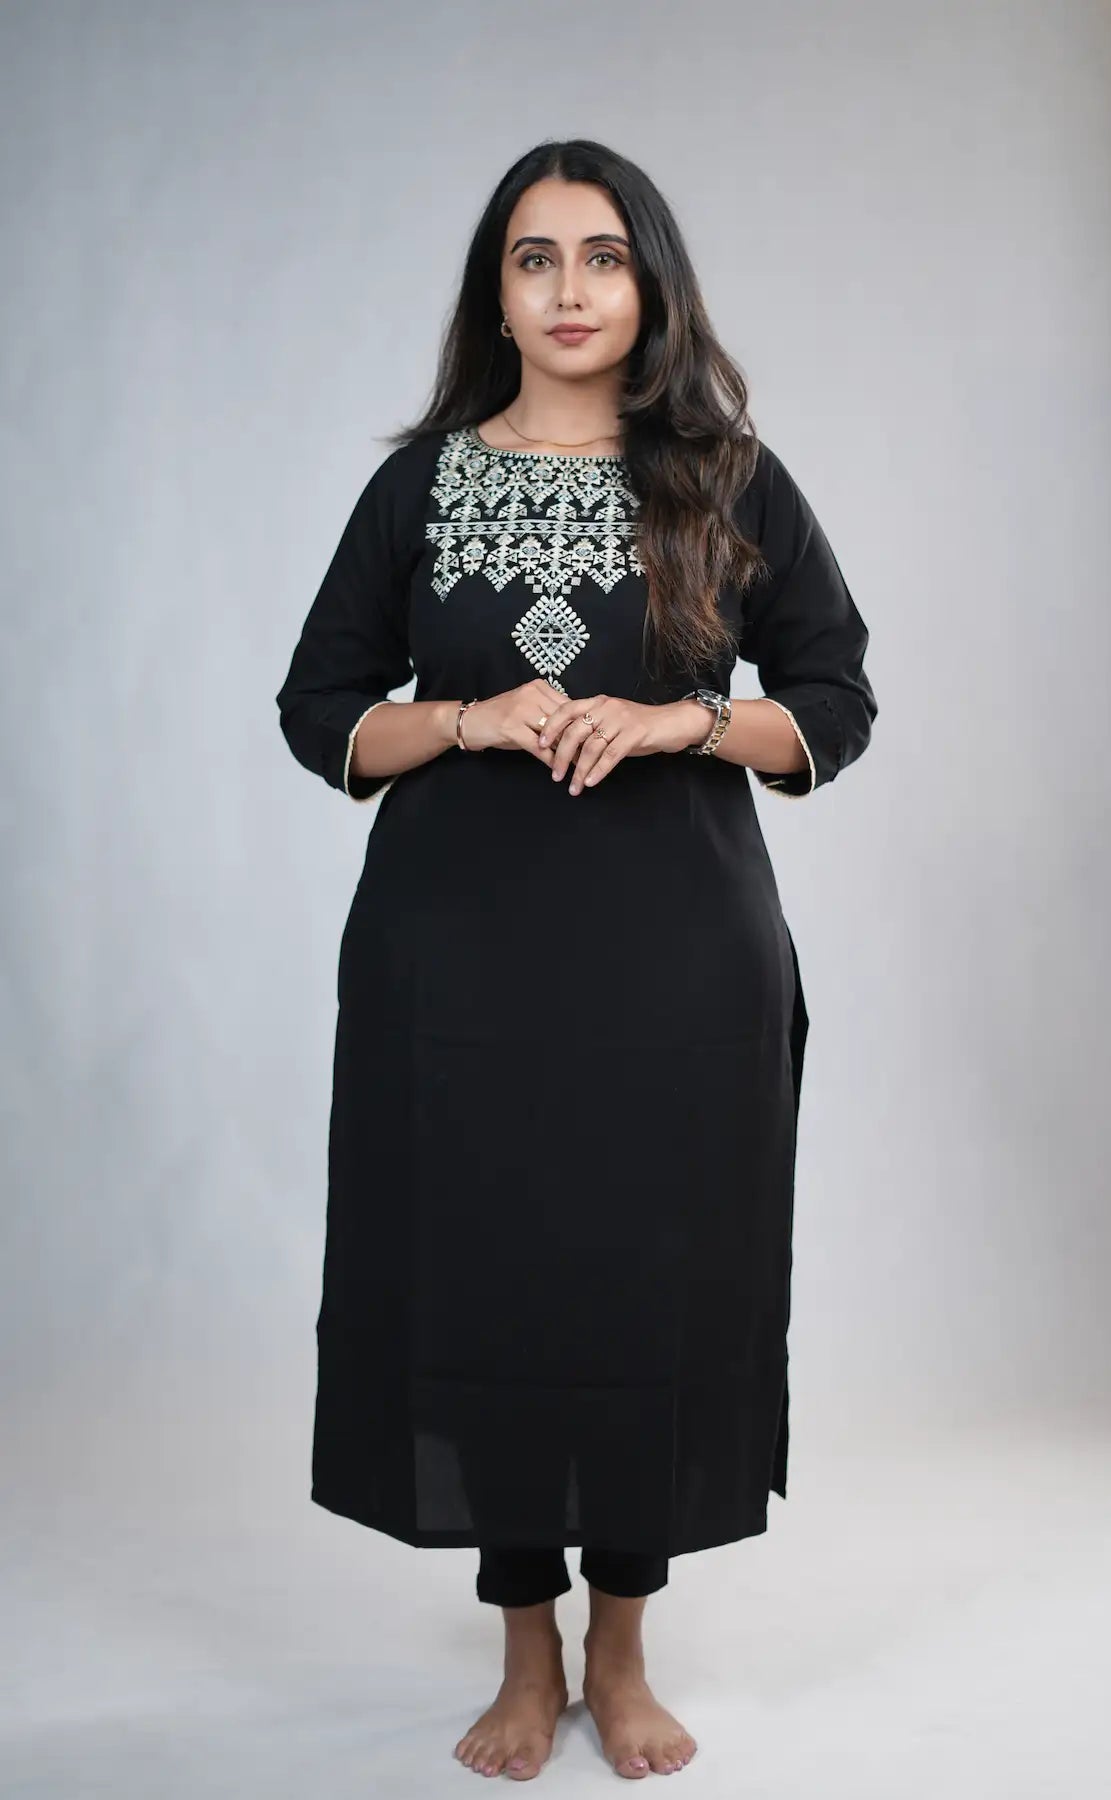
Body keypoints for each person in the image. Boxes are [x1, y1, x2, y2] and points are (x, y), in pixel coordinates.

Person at [275, 137, 877, 1783]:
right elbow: (321, 710)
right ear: (497, 293)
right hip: (454, 979)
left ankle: (622, 1645)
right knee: (486, 1280)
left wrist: (686, 722)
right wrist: (466, 719)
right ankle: (523, 1650)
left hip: (678, 975)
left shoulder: (726, 480)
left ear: (651, 284)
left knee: (649, 1288)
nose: (569, 290)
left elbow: (834, 699)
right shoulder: (420, 488)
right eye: (533, 259)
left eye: (602, 256)